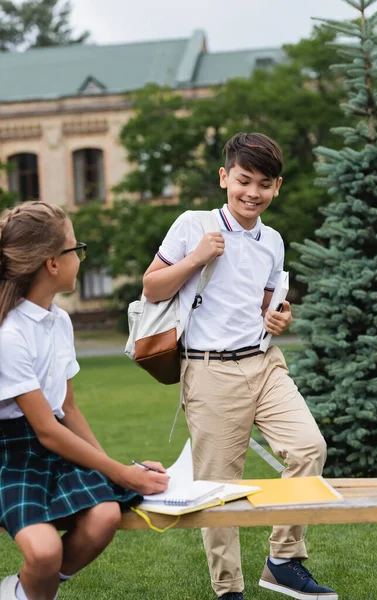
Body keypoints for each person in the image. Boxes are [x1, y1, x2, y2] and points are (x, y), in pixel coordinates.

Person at [143, 133, 338, 600]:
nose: (252, 193)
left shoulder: (273, 241)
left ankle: (283, 560)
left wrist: (280, 317)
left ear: (277, 187)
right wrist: (197, 257)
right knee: (218, 488)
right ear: (224, 177)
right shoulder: (193, 224)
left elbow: (269, 307)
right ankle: (228, 590)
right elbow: (151, 287)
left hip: (265, 363)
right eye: (244, 181)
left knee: (309, 447)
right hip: (209, 371)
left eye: (264, 185)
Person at [0, 201, 169, 600]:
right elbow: (46, 430)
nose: (81, 257)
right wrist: (122, 474)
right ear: (51, 264)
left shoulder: (60, 320)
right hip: (11, 455)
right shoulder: (9, 335)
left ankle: (26, 592)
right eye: (76, 249)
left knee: (106, 514)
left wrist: (114, 470)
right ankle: (32, 588)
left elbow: (68, 409)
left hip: (53, 446)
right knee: (44, 552)